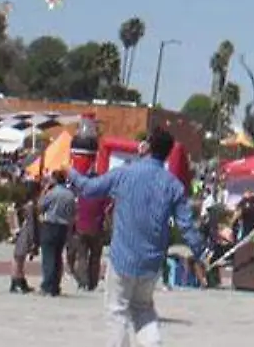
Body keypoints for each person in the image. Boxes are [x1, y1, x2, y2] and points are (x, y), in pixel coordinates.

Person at [66, 127, 208, 345]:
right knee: (143, 310)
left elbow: (89, 188)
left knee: (117, 310)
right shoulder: (173, 185)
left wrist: (73, 171)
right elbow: (187, 225)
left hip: (123, 256)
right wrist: (201, 250)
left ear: (147, 147)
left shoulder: (125, 173)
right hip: (152, 262)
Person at [39, 169, 78, 297]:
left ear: (54, 180)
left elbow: (41, 206)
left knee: (48, 256)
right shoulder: (70, 194)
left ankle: (47, 285)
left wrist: (44, 191)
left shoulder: (52, 193)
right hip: (63, 226)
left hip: (50, 224)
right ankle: (56, 285)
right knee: (58, 256)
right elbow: (73, 212)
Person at [69, 187, 110, 292]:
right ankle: (92, 283)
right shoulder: (102, 196)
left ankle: (83, 282)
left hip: (81, 229)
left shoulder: (82, 196)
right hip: (96, 229)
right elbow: (107, 210)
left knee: (82, 256)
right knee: (95, 258)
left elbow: (75, 210)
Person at [7, 178, 41, 294]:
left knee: (18, 257)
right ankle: (16, 281)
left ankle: (19, 280)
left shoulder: (20, 203)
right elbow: (31, 224)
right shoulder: (31, 206)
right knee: (19, 259)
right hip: (25, 233)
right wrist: (34, 241)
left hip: (18, 232)